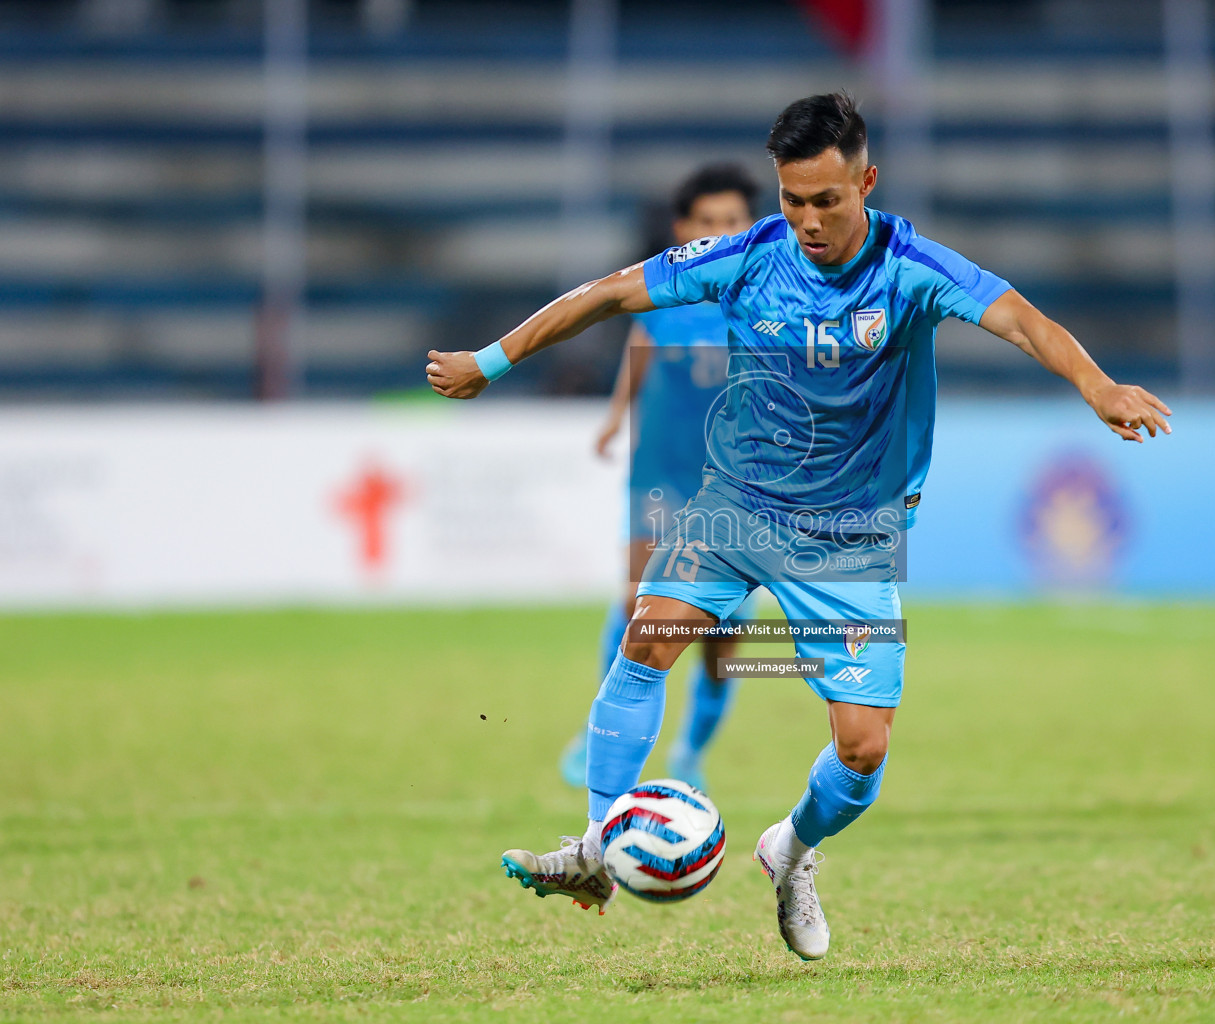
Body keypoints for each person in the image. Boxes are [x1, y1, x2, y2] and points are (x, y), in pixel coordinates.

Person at [426, 92, 1171, 959]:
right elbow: (610, 294)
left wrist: (1099, 387)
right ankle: (596, 850)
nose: (808, 221)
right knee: (648, 641)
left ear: (867, 181)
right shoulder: (747, 255)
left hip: (852, 537)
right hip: (736, 506)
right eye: (792, 200)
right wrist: (490, 360)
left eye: (827, 200)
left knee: (861, 751)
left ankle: (792, 851)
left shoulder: (913, 267)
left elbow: (1024, 322)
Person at [558, 164, 761, 794]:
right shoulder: (664, 293)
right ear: (684, 231)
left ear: (751, 227)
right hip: (660, 478)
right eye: (709, 222)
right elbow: (636, 354)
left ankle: (692, 750)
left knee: (717, 647)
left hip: (735, 489)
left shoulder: (764, 299)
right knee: (634, 603)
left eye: (733, 221)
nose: (722, 231)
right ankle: (602, 735)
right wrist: (616, 416)